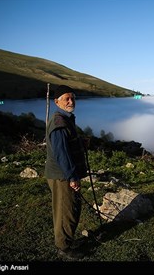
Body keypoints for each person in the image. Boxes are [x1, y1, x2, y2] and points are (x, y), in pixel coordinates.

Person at [45, 85, 88, 260]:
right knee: (66, 211)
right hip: (62, 176)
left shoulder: (65, 119)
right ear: (56, 102)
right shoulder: (59, 122)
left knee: (71, 208)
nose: (71, 101)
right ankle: (63, 247)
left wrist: (80, 143)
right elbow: (61, 153)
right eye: (66, 99)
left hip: (64, 175)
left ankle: (66, 241)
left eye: (72, 98)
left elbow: (67, 145)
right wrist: (71, 176)